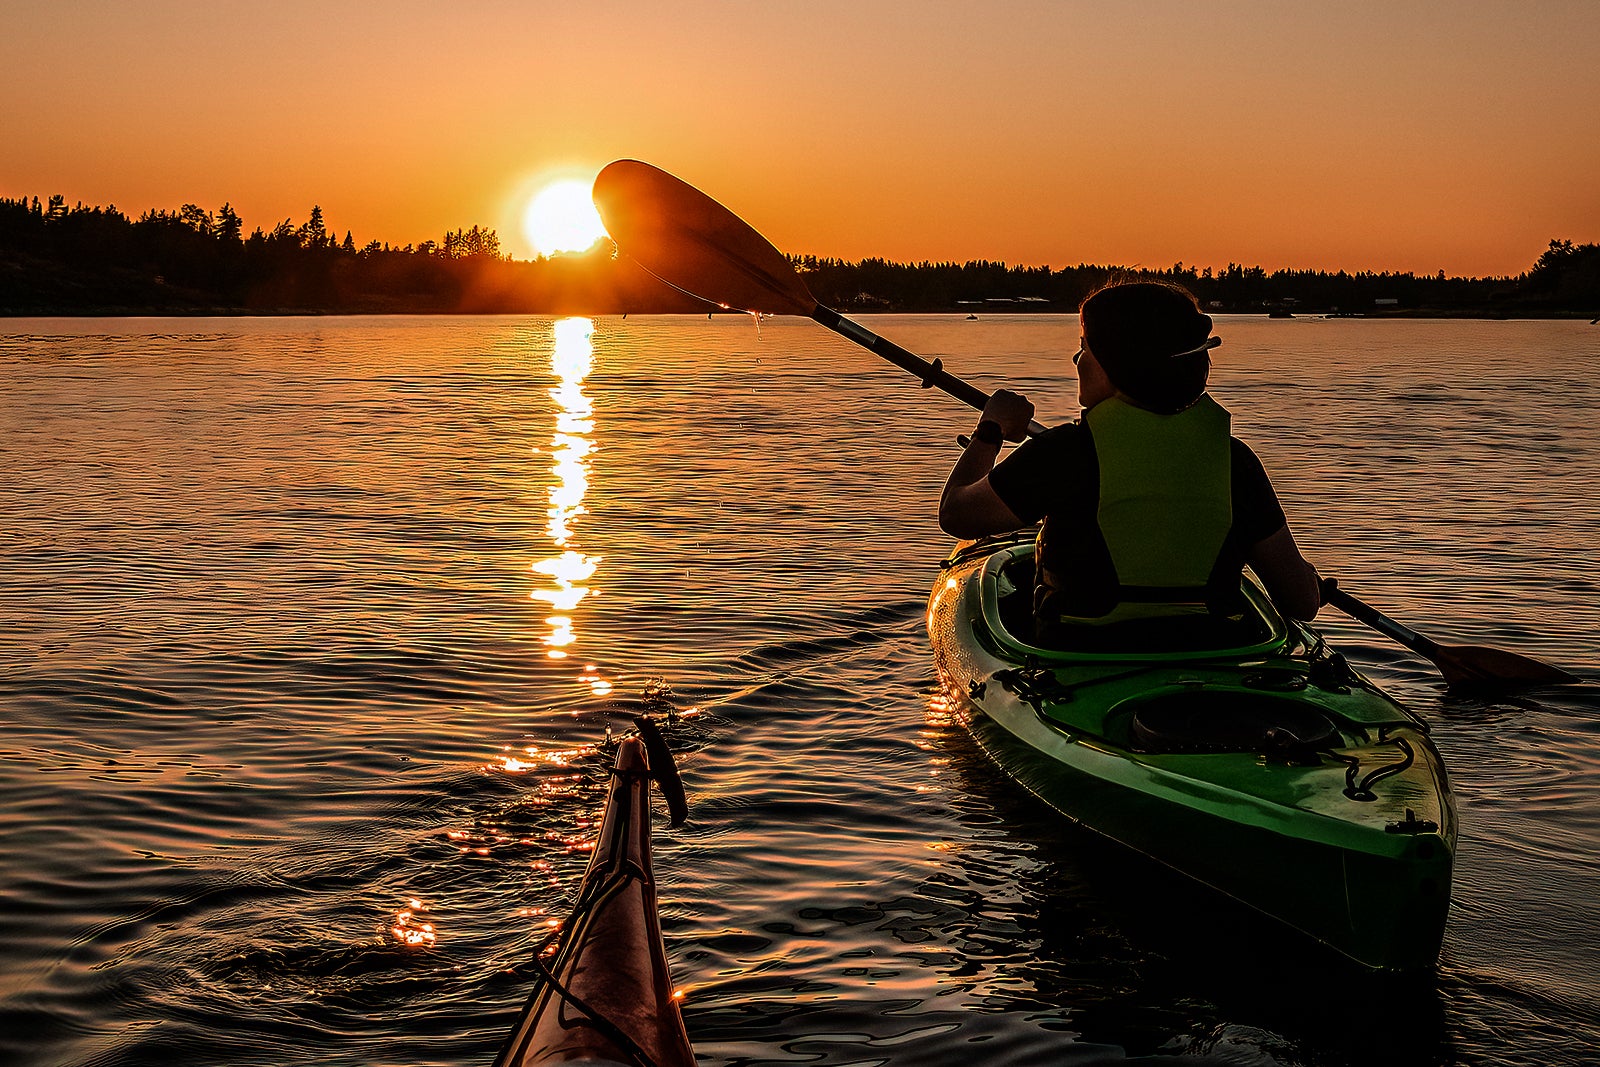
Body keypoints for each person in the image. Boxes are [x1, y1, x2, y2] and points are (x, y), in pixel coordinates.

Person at [939, 280, 1321, 644]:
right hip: (1210, 649)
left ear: (1118, 363)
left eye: (1086, 347)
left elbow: (957, 515)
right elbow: (1301, 603)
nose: (1077, 359)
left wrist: (989, 430)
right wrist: (1309, 578)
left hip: (1084, 653)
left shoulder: (1066, 452)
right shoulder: (1236, 462)